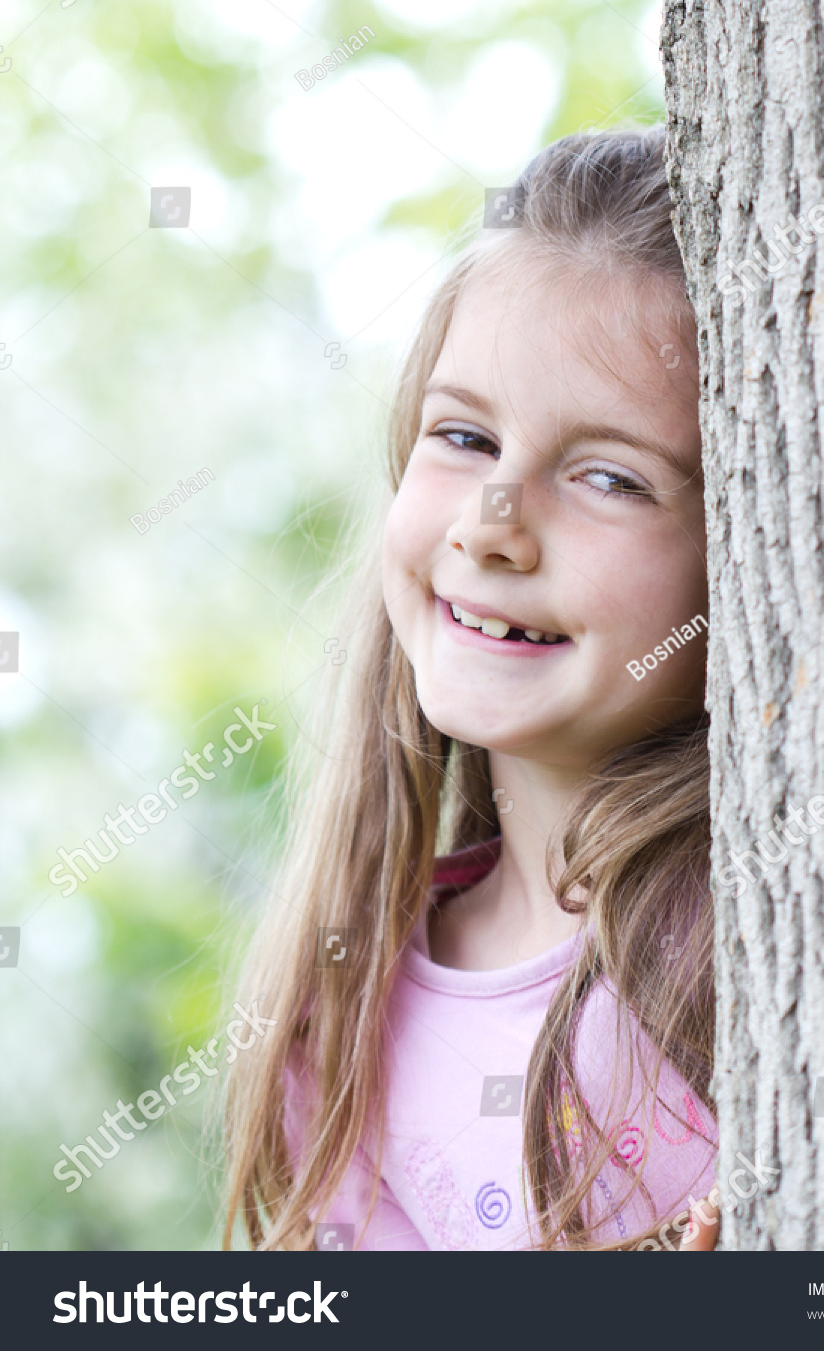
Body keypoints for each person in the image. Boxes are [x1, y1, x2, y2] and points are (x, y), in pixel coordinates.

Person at [223, 125, 720, 1252]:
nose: (493, 527)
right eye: (461, 435)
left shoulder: (757, 925)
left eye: (608, 475)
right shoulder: (342, 1020)